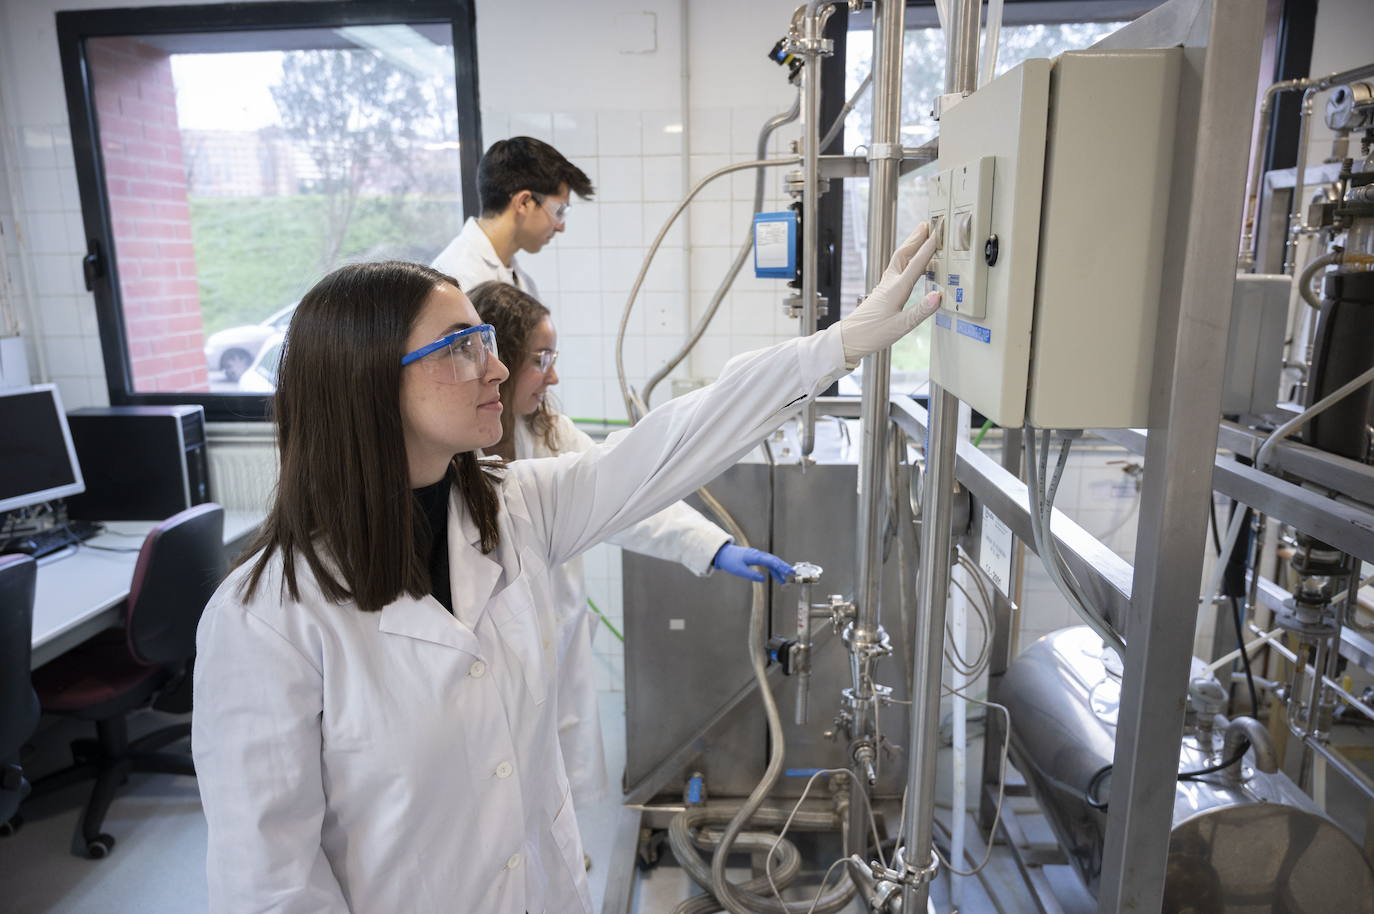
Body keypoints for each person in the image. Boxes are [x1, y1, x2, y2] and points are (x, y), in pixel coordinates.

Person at [191, 224, 942, 914]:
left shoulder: (513, 508)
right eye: (461, 346)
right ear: (369, 383)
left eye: (486, 340)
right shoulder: (265, 620)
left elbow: (665, 448)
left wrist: (833, 347)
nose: (496, 367)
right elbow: (270, 883)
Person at [468, 280, 792, 816]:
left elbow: (627, 497)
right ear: (497, 360)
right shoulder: (454, 452)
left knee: (549, 798)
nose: (552, 375)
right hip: (489, 674)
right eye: (539, 359)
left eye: (553, 357)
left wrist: (714, 547)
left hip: (549, 653)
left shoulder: (547, 433)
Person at [431, 136, 594, 296]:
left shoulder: (518, 278)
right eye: (559, 211)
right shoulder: (456, 280)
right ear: (524, 202)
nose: (561, 227)